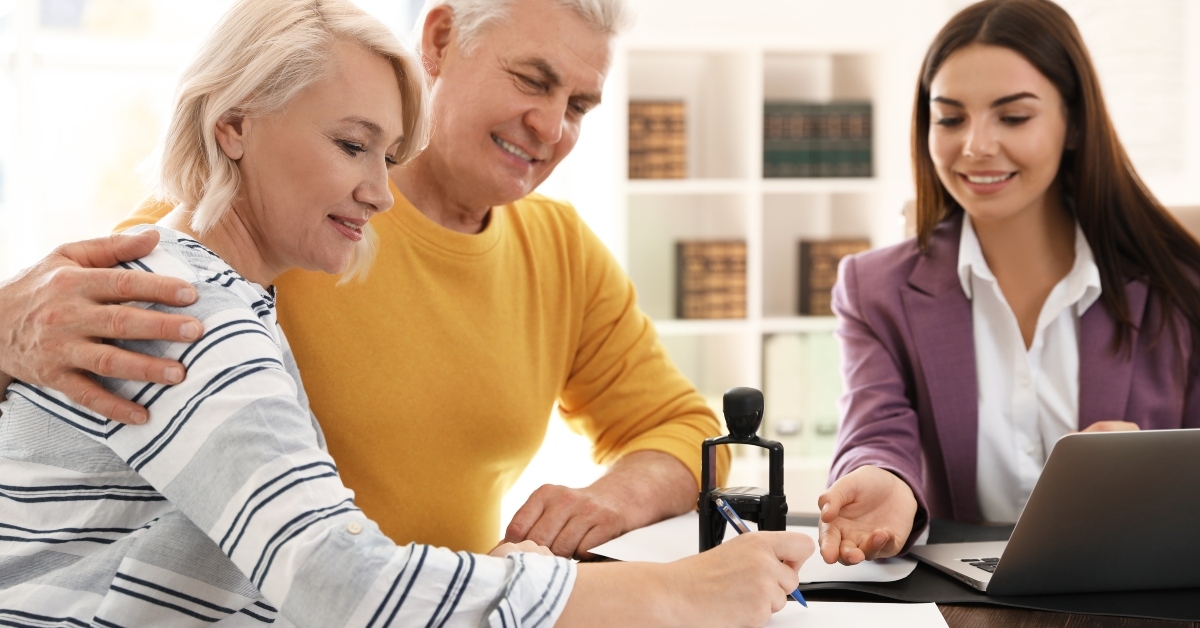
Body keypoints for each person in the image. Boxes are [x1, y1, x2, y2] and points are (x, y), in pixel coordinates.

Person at [0, 1, 813, 625]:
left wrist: (598, 512)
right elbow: (340, 579)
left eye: (580, 104)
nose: (552, 124)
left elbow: (675, 420)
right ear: (440, 40)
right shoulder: (192, 300)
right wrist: (665, 595)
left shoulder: (549, 248)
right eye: (532, 79)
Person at [815, 0, 1200, 566]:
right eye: (950, 118)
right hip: (959, 607)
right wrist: (884, 479)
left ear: (1073, 124)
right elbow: (876, 427)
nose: (975, 146)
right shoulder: (873, 289)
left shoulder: (1179, 284)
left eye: (1013, 117)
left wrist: (1152, 477)